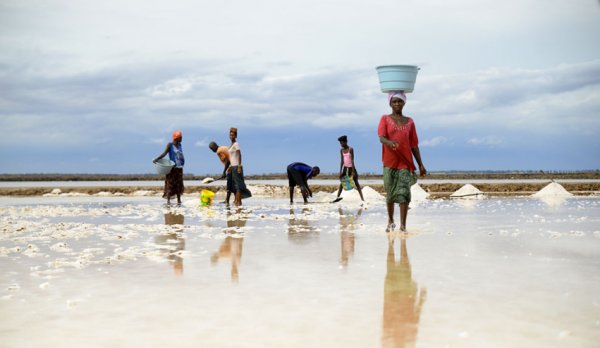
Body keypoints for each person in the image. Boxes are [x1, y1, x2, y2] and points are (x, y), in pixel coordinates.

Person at [378, 91, 426, 232]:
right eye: (394, 101)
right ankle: (391, 220)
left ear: (404, 103)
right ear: (390, 103)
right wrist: (389, 142)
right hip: (389, 162)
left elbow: (414, 145)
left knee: (404, 193)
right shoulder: (385, 119)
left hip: (405, 163)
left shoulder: (410, 122)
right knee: (391, 193)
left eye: (400, 101)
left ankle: (403, 226)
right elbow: (381, 137)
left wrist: (421, 164)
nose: (397, 104)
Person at [154, 130, 185, 206]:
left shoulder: (180, 145)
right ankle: (168, 201)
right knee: (170, 184)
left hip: (179, 168)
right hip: (172, 168)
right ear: (176, 138)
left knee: (179, 184)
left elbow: (180, 155)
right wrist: (157, 159)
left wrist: (183, 162)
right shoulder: (170, 145)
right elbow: (164, 153)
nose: (181, 139)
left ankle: (179, 200)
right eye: (180, 137)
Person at [335, 135, 365, 201]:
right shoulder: (341, 150)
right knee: (342, 183)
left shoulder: (350, 149)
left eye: (341, 143)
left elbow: (352, 160)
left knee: (356, 183)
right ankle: (337, 197)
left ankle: (362, 199)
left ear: (345, 142)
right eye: (340, 143)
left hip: (351, 168)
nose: (340, 144)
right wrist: (340, 171)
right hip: (345, 169)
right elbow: (342, 161)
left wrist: (353, 171)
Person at [228, 127, 252, 206]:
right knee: (235, 186)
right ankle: (237, 202)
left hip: (237, 167)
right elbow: (232, 157)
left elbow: (239, 154)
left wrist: (239, 166)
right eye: (230, 135)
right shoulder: (231, 145)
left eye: (233, 135)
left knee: (238, 186)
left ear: (235, 136)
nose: (231, 136)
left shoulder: (236, 144)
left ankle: (239, 202)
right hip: (233, 167)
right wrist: (230, 166)